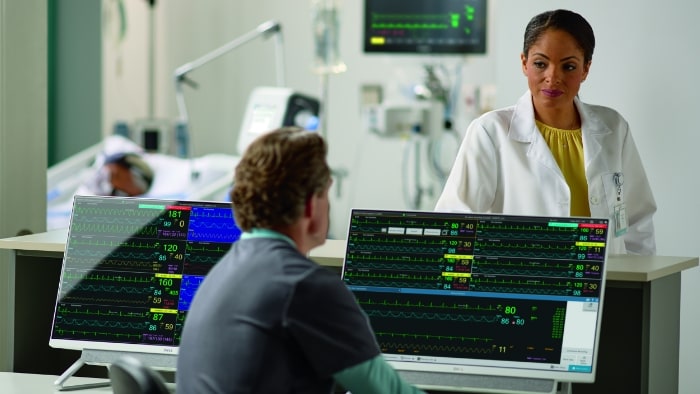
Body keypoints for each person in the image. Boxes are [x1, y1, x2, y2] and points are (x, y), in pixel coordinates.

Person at [177, 127, 424, 394]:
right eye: (326, 193)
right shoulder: (305, 285)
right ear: (310, 204)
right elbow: (387, 391)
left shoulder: (220, 272)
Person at [435, 9, 656, 255]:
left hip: (608, 285)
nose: (552, 77)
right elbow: (455, 222)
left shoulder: (613, 128)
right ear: (524, 63)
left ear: (585, 69)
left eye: (569, 66)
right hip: (523, 285)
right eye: (540, 64)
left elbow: (636, 222)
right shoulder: (491, 132)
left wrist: (635, 285)